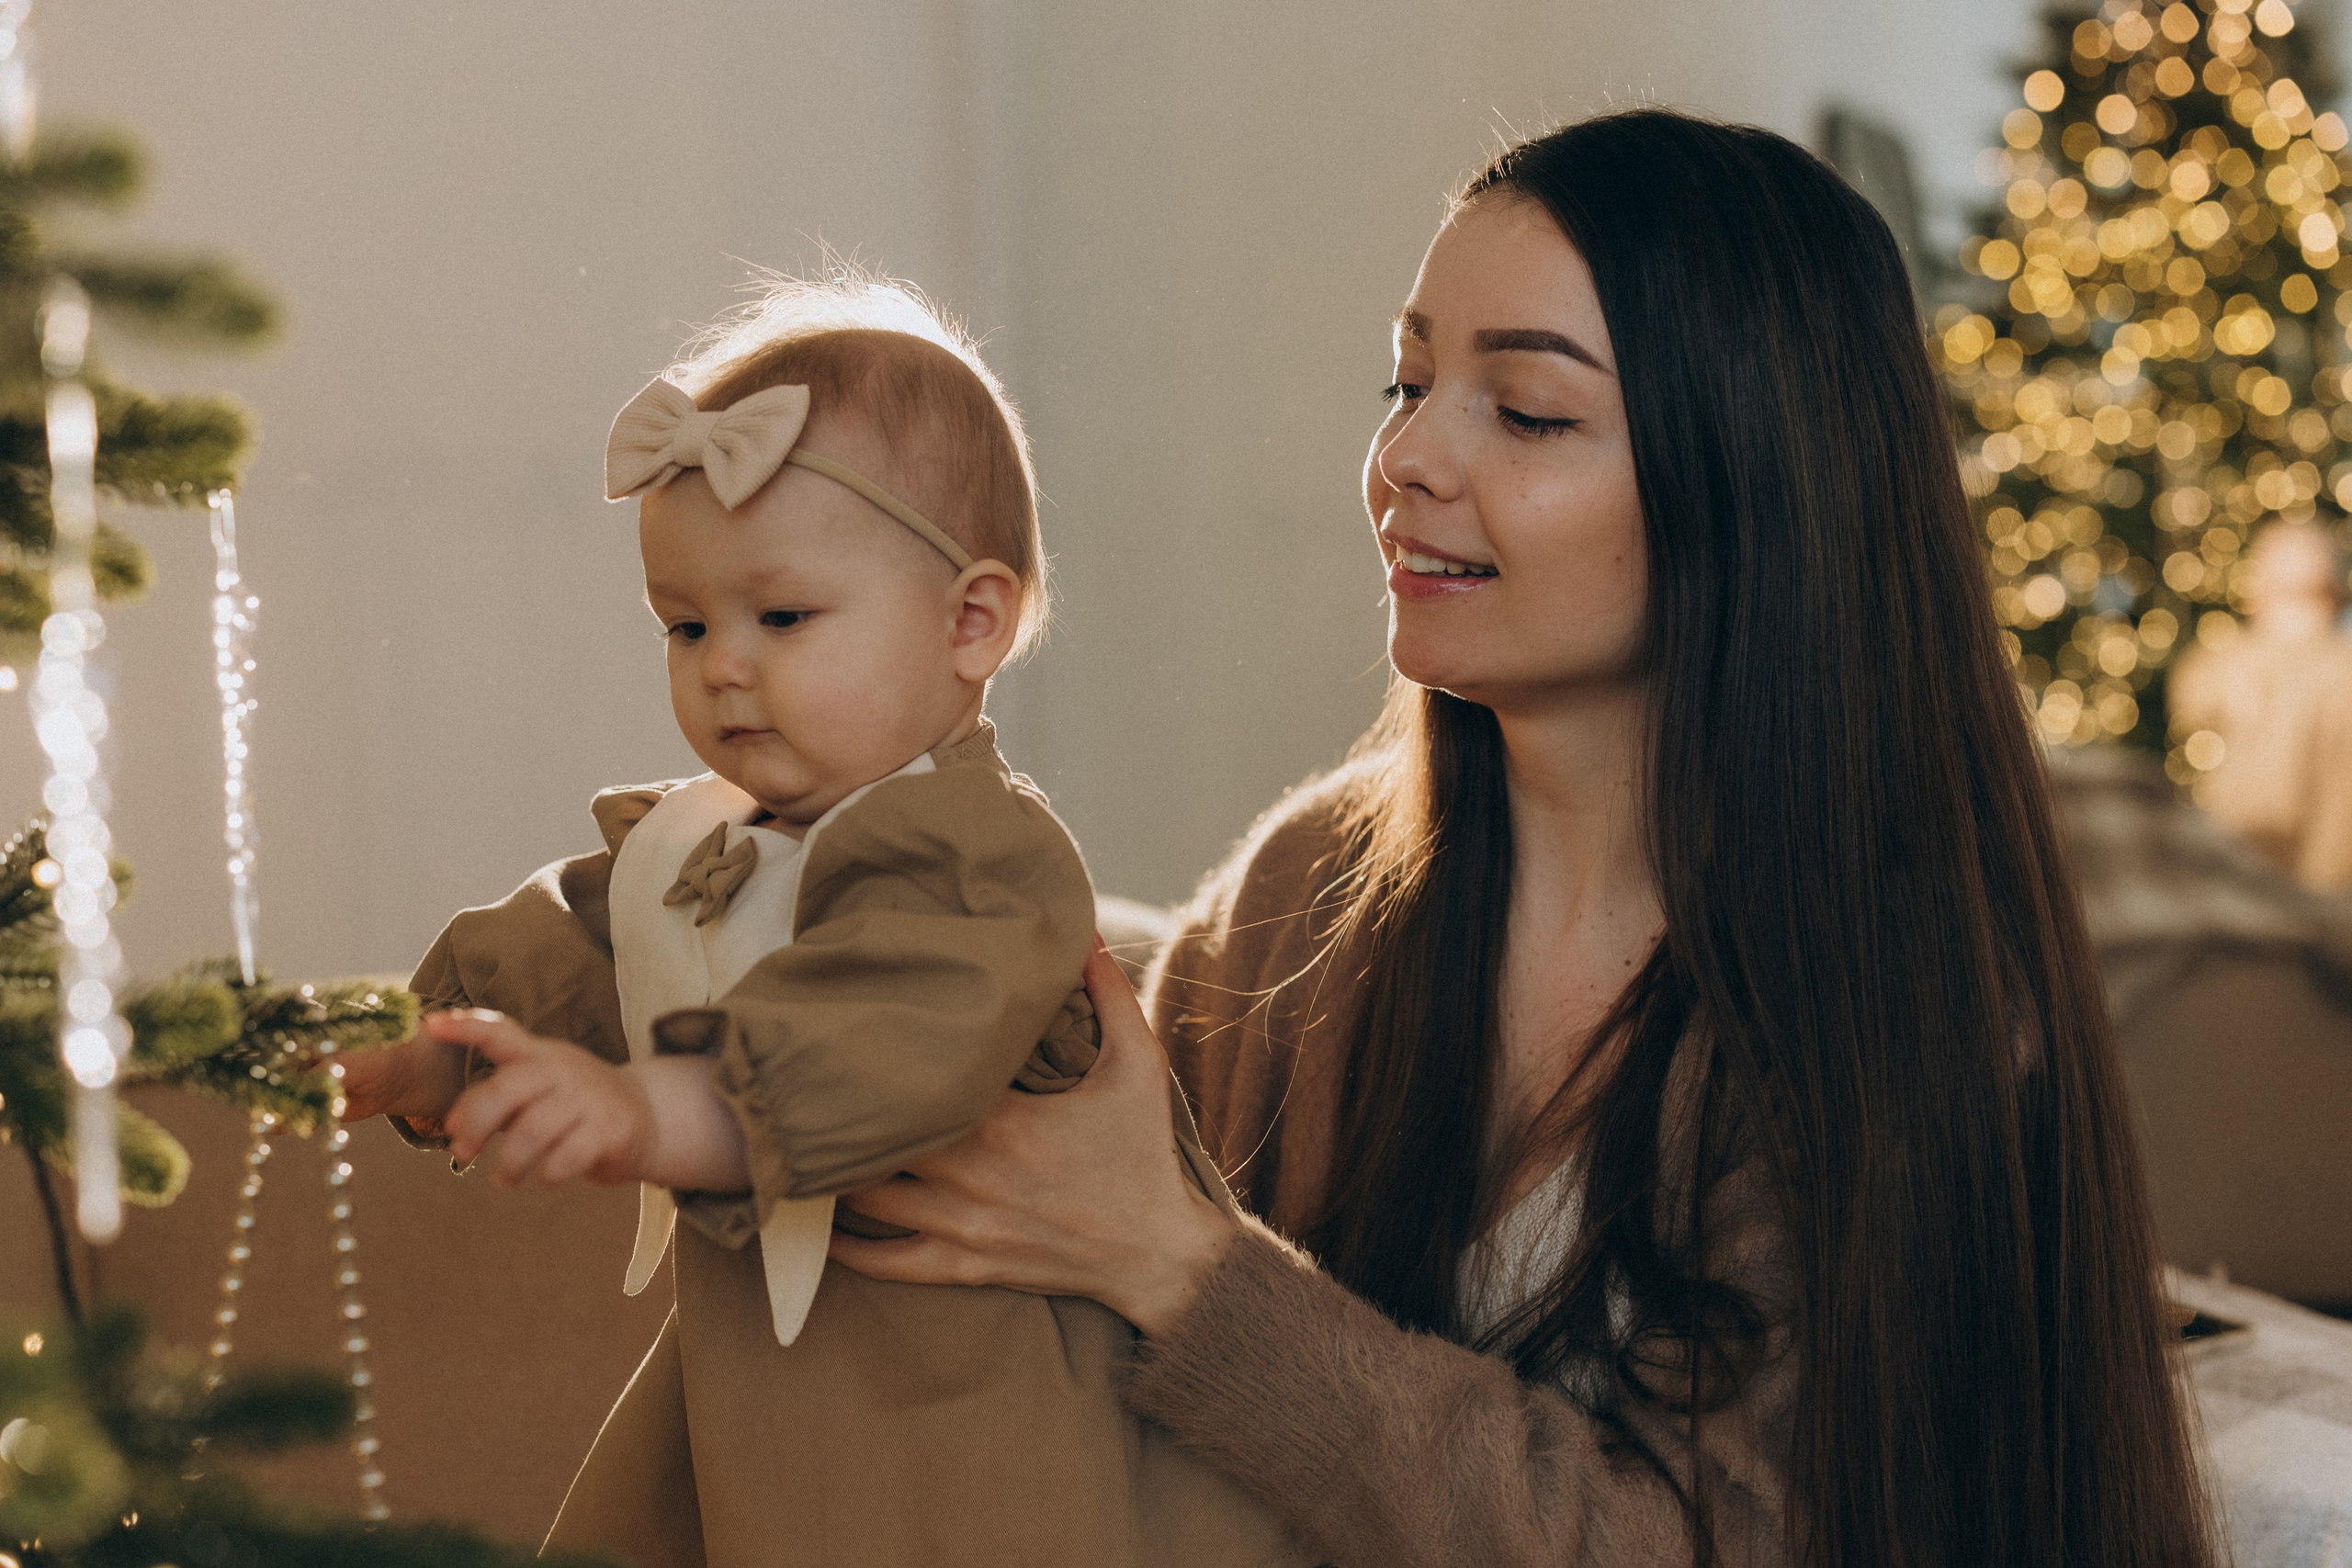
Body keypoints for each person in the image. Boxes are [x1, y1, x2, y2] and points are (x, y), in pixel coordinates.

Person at [817, 110, 2222, 1568]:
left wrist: (1189, 1271)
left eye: (1531, 412)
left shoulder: (1903, 1011)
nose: (1407, 456)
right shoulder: (1303, 896)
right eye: (1407, 379)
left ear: (1754, 482)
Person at [339, 277, 1301, 1568]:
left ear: (972, 621)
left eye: (780, 617)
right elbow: (574, 947)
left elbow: (881, 1029)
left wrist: (648, 1113)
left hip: (973, 1422)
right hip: (765, 1396)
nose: (722, 663)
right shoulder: (705, 842)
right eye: (686, 624)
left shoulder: (982, 860)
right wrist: (419, 1049)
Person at [2169, 518, 2352, 890]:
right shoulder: (2240, 656)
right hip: (2236, 842)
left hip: (2310, 863)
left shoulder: (2339, 668)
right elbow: (2189, 697)